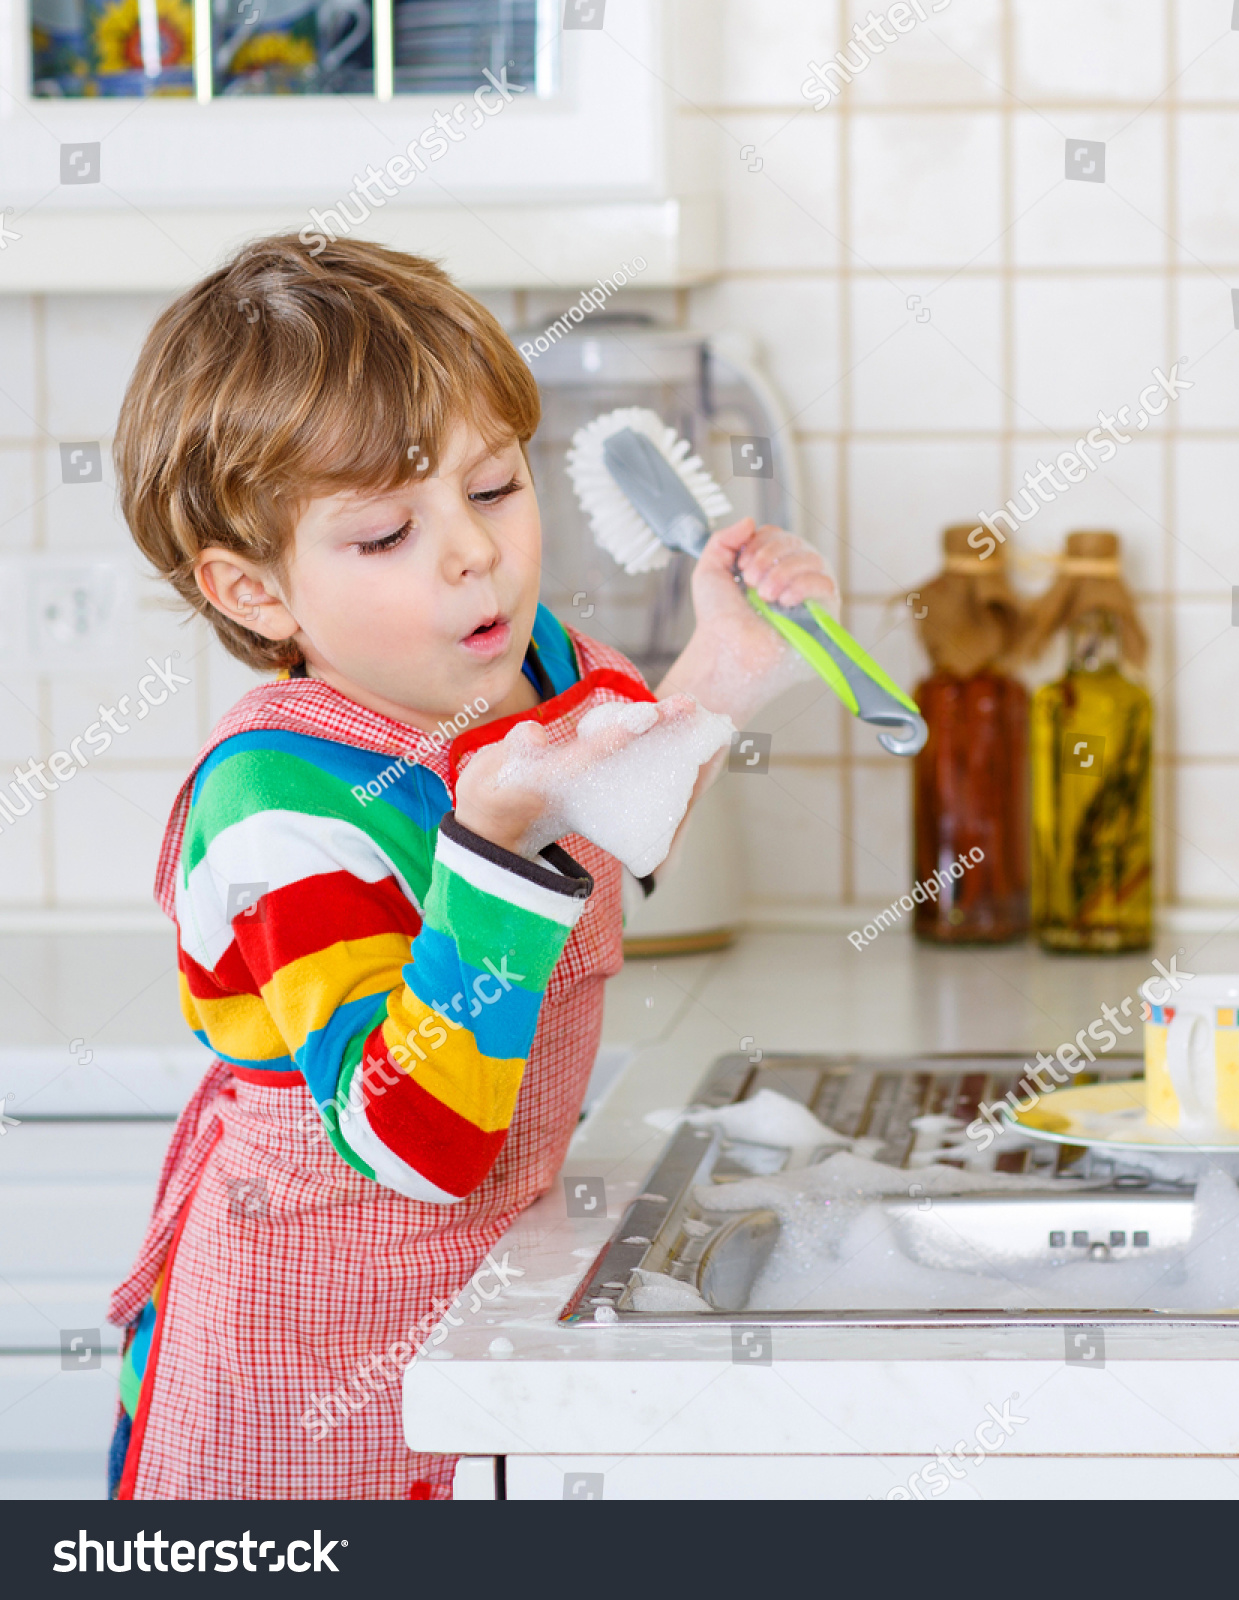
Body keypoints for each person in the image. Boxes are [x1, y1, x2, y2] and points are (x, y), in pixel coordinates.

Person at [106, 234, 834, 1498]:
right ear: (256, 591)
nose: (471, 553)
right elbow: (416, 1136)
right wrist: (486, 852)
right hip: (301, 1339)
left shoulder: (530, 659)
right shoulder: (276, 807)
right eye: (387, 531)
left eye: (493, 488)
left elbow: (627, 804)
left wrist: (725, 664)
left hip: (487, 1281)